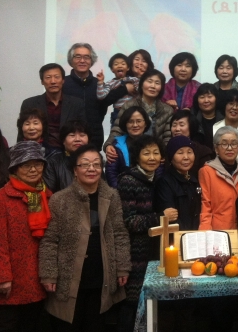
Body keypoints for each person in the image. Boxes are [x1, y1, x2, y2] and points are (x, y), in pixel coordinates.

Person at [39, 144, 131, 331]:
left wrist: (122, 267)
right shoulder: (60, 199)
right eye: (85, 164)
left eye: (96, 164)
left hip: (101, 276)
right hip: (68, 277)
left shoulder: (112, 196)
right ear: (75, 170)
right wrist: (48, 273)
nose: (91, 169)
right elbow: (50, 241)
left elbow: (120, 233)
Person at [0, 141, 52, 332]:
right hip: (12, 279)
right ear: (15, 168)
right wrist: (2, 277)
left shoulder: (47, 196)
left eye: (37, 164)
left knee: (33, 325)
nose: (33, 170)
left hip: (38, 276)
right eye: (26, 165)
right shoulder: (0, 198)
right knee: (6, 325)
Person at [117, 135, 169, 329]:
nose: (152, 157)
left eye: (156, 153)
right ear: (137, 157)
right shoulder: (128, 180)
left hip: (153, 250)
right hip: (134, 253)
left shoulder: (157, 179)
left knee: (152, 303)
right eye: (146, 153)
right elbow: (130, 221)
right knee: (132, 302)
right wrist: (160, 217)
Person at [63, 43, 129, 150]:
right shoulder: (63, 83)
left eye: (86, 57)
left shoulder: (99, 84)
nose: (82, 60)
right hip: (68, 142)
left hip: (94, 138)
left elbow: (102, 110)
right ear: (71, 60)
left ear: (92, 60)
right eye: (78, 57)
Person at [20, 63, 85, 149]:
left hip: (69, 152)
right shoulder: (29, 104)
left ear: (63, 80)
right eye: (48, 77)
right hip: (39, 151)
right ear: (42, 81)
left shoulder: (77, 104)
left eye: (57, 77)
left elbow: (83, 131)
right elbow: (22, 134)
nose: (53, 81)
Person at [199, 126, 238, 230]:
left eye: (234, 143)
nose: (229, 148)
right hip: (218, 231)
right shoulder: (207, 171)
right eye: (224, 144)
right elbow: (205, 205)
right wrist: (205, 232)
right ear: (216, 148)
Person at [105, 69, 173, 149]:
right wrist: (109, 144)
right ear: (141, 84)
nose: (153, 86)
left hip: (156, 153)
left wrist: (163, 153)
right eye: (149, 81)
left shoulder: (167, 110)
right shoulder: (128, 106)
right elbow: (117, 129)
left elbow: (167, 137)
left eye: (157, 83)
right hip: (131, 151)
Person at [154, 136, 202, 231]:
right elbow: (171, 217)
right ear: (171, 158)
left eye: (189, 152)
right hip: (177, 236)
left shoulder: (194, 179)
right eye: (180, 153)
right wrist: (185, 235)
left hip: (196, 234)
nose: (186, 157)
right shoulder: (164, 182)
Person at [43, 120, 91, 193]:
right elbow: (48, 194)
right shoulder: (53, 163)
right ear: (63, 141)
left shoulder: (95, 160)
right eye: (72, 135)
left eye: (82, 135)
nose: (77, 139)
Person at [96, 53, 139, 126]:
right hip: (118, 113)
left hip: (134, 111)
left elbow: (141, 91)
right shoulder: (110, 83)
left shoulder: (134, 79)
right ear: (112, 69)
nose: (119, 66)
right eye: (116, 64)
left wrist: (135, 87)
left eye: (123, 64)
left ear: (128, 68)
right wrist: (100, 82)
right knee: (117, 132)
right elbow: (101, 96)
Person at [213, 54, 238, 124]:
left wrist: (231, 126)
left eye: (228, 68)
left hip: (236, 128)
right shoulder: (211, 90)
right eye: (221, 68)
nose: (224, 71)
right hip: (212, 127)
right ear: (216, 70)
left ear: (235, 70)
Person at [192, 82, 223, 150]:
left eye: (210, 96)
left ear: (216, 98)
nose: (206, 101)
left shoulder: (224, 119)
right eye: (202, 97)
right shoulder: (192, 119)